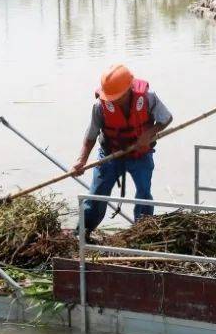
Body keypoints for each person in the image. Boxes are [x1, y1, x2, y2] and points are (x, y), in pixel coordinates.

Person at [72, 64, 172, 237]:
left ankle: (143, 234)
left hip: (140, 155)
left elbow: (166, 118)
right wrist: (81, 161)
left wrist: (148, 134)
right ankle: (81, 235)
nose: (112, 100)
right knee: (97, 194)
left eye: (116, 97)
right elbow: (91, 135)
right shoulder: (100, 106)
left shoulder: (148, 98)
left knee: (144, 193)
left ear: (128, 89)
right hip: (110, 154)